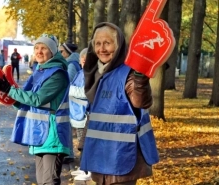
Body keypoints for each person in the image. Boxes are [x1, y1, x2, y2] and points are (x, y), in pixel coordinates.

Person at [78, 22, 159, 185]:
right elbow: (95, 114)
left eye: (107, 43)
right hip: (100, 156)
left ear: (119, 45)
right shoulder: (96, 73)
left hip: (122, 158)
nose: (102, 49)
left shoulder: (128, 73)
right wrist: (84, 146)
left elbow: (140, 100)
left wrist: (140, 77)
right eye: (98, 43)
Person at [0, 34, 72, 185]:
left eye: (43, 48)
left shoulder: (58, 74)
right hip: (40, 134)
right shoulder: (39, 71)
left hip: (53, 136)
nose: (39, 51)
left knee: (48, 182)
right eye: (36, 48)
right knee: (43, 182)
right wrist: (6, 95)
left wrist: (9, 90)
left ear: (53, 52)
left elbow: (37, 99)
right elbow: (25, 101)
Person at [68, 48, 92, 181]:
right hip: (77, 113)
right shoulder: (80, 72)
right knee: (81, 140)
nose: (83, 60)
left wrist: (69, 89)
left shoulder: (89, 74)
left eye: (86, 58)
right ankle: (83, 167)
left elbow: (86, 92)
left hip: (83, 113)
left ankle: (86, 169)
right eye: (82, 58)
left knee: (84, 143)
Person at [59, 43, 81, 164]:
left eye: (62, 51)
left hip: (71, 101)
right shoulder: (71, 63)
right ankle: (68, 154)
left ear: (67, 52)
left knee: (68, 128)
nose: (60, 53)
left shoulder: (71, 65)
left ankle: (69, 155)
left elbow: (68, 83)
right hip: (73, 101)